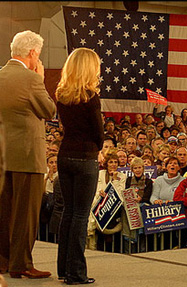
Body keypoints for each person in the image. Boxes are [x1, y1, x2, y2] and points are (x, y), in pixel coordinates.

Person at [0, 30, 56, 279]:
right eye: (38, 55)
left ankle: (3, 261)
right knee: (27, 213)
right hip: (28, 156)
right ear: (33, 53)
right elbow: (48, 110)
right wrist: (41, 80)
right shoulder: (31, 79)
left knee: (4, 212)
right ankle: (21, 263)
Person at [55, 48, 104, 284]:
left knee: (69, 212)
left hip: (64, 156)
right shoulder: (91, 97)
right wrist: (99, 148)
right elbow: (98, 132)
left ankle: (64, 268)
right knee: (81, 216)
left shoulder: (61, 95)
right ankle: (76, 273)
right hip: (85, 157)